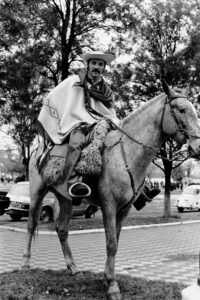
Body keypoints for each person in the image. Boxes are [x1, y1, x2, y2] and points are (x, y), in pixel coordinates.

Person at [38, 50, 160, 207]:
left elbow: (110, 111)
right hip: (78, 122)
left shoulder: (106, 90)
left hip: (103, 122)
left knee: (125, 145)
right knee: (77, 142)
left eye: (100, 64)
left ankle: (141, 190)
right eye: (94, 63)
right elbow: (55, 96)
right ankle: (74, 182)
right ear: (87, 65)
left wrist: (115, 123)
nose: (97, 67)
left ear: (104, 68)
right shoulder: (74, 82)